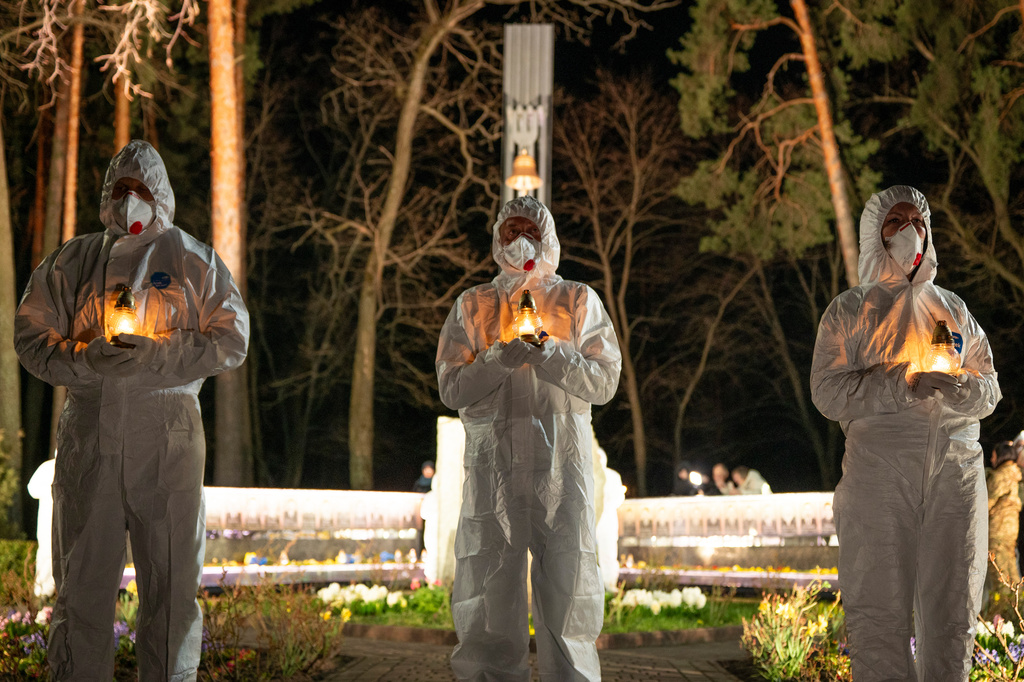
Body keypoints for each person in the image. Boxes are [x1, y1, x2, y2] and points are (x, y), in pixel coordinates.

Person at [14, 140, 249, 681]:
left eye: (141, 189)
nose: (130, 200)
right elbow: (30, 337)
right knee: (81, 585)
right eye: (121, 189)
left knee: (170, 588)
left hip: (166, 441)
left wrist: (160, 354)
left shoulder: (192, 259)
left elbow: (232, 339)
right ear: (106, 194)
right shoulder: (71, 261)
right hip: (88, 439)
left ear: (160, 194)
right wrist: (83, 358)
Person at [810, 185, 1000, 680]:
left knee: (953, 611)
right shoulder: (850, 310)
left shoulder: (953, 309)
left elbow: (990, 387)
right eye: (896, 222)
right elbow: (827, 391)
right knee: (878, 608)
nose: (909, 231)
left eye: (917, 222)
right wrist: (902, 383)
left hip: (956, 473)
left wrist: (961, 388)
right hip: (879, 473)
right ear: (875, 234)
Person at [436, 195, 621, 681]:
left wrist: (549, 353)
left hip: (562, 472)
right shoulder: (473, 305)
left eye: (530, 231)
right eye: (511, 231)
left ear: (548, 238)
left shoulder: (577, 301)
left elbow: (604, 382)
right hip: (492, 474)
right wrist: (499, 356)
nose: (520, 241)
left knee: (568, 595)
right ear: (497, 239)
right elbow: (452, 388)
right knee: (488, 598)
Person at [987, 441, 1021, 598]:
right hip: (1010, 532)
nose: (992, 460)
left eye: (994, 456)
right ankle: (1018, 606)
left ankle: (1005, 608)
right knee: (1011, 574)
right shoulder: (1014, 475)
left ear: (1001, 456)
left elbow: (985, 504)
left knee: (1000, 577)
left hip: (997, 531)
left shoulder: (1000, 477)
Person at [412, 460, 434, 561]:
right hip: (419, 513)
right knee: (419, 533)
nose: (428, 472)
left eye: (430, 469)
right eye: (426, 469)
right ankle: (418, 554)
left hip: (432, 514)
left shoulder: (435, 484)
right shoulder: (418, 483)